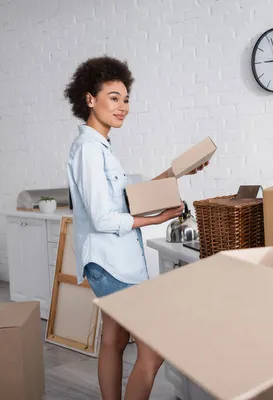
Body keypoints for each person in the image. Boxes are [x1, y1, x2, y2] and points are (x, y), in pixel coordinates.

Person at [64, 56, 208, 400]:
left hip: (114, 261)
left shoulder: (102, 148)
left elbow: (128, 200)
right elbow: (104, 219)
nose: (123, 106)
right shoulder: (88, 151)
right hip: (111, 264)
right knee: (154, 350)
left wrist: (177, 173)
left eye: (126, 99)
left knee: (113, 339)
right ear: (89, 99)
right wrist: (158, 220)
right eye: (113, 97)